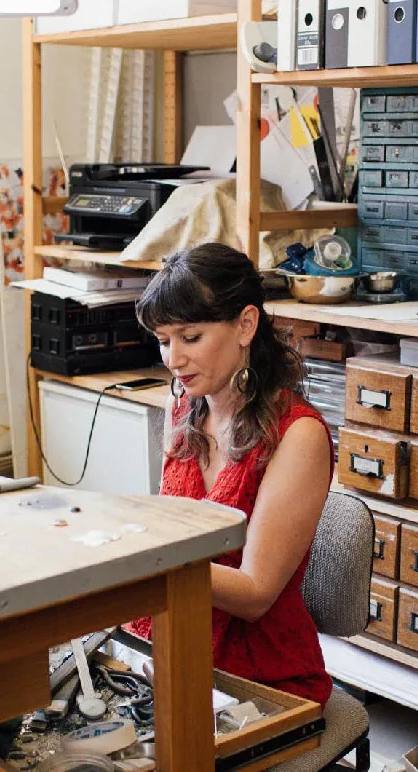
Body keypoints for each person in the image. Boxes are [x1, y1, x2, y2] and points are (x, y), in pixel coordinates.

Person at [127, 243, 334, 706]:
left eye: (190, 337)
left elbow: (256, 593)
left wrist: (137, 557)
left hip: (257, 674)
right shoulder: (181, 409)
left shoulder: (298, 435)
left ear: (245, 325)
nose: (173, 359)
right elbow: (167, 532)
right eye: (164, 340)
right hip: (168, 643)